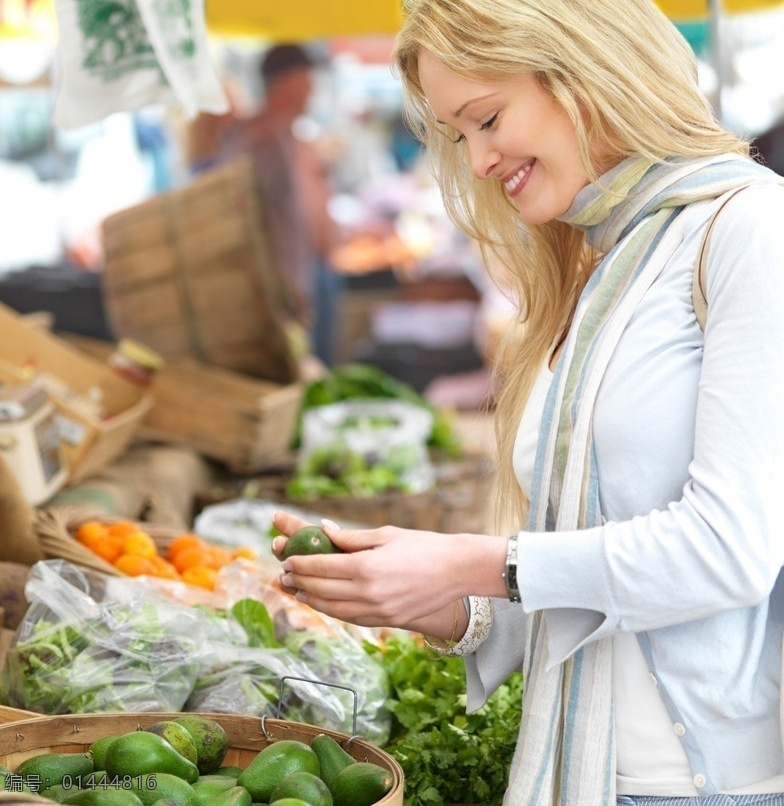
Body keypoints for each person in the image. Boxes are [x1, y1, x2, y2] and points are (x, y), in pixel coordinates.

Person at [271, 0, 784, 803]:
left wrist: (480, 561)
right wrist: (440, 601)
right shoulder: (602, 265)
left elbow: (728, 550)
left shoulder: (750, 228)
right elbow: (586, 580)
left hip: (704, 785)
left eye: (486, 118)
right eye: (458, 136)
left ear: (581, 71)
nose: (476, 162)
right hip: (590, 772)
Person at [219, 44, 342, 366]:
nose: (312, 88)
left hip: (301, 280)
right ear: (291, 81)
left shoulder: (284, 135)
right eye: (308, 79)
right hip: (284, 291)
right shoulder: (261, 137)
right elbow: (243, 217)